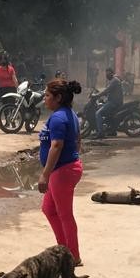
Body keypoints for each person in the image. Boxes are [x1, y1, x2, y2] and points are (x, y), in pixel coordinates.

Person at [38, 79, 84, 264]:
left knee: (65, 214)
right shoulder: (68, 114)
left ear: (58, 97)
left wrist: (45, 174)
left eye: (48, 95)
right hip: (64, 168)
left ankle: (73, 256)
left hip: (62, 171)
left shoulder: (58, 118)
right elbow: (78, 139)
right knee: (49, 209)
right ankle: (63, 249)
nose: (44, 99)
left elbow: (56, 145)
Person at [93, 68, 123, 138]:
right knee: (103, 109)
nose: (107, 75)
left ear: (112, 73)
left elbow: (107, 90)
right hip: (114, 101)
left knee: (98, 113)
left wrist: (97, 95)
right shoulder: (113, 80)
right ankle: (112, 131)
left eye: (108, 73)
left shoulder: (114, 81)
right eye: (106, 73)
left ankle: (101, 133)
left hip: (114, 102)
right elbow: (109, 91)